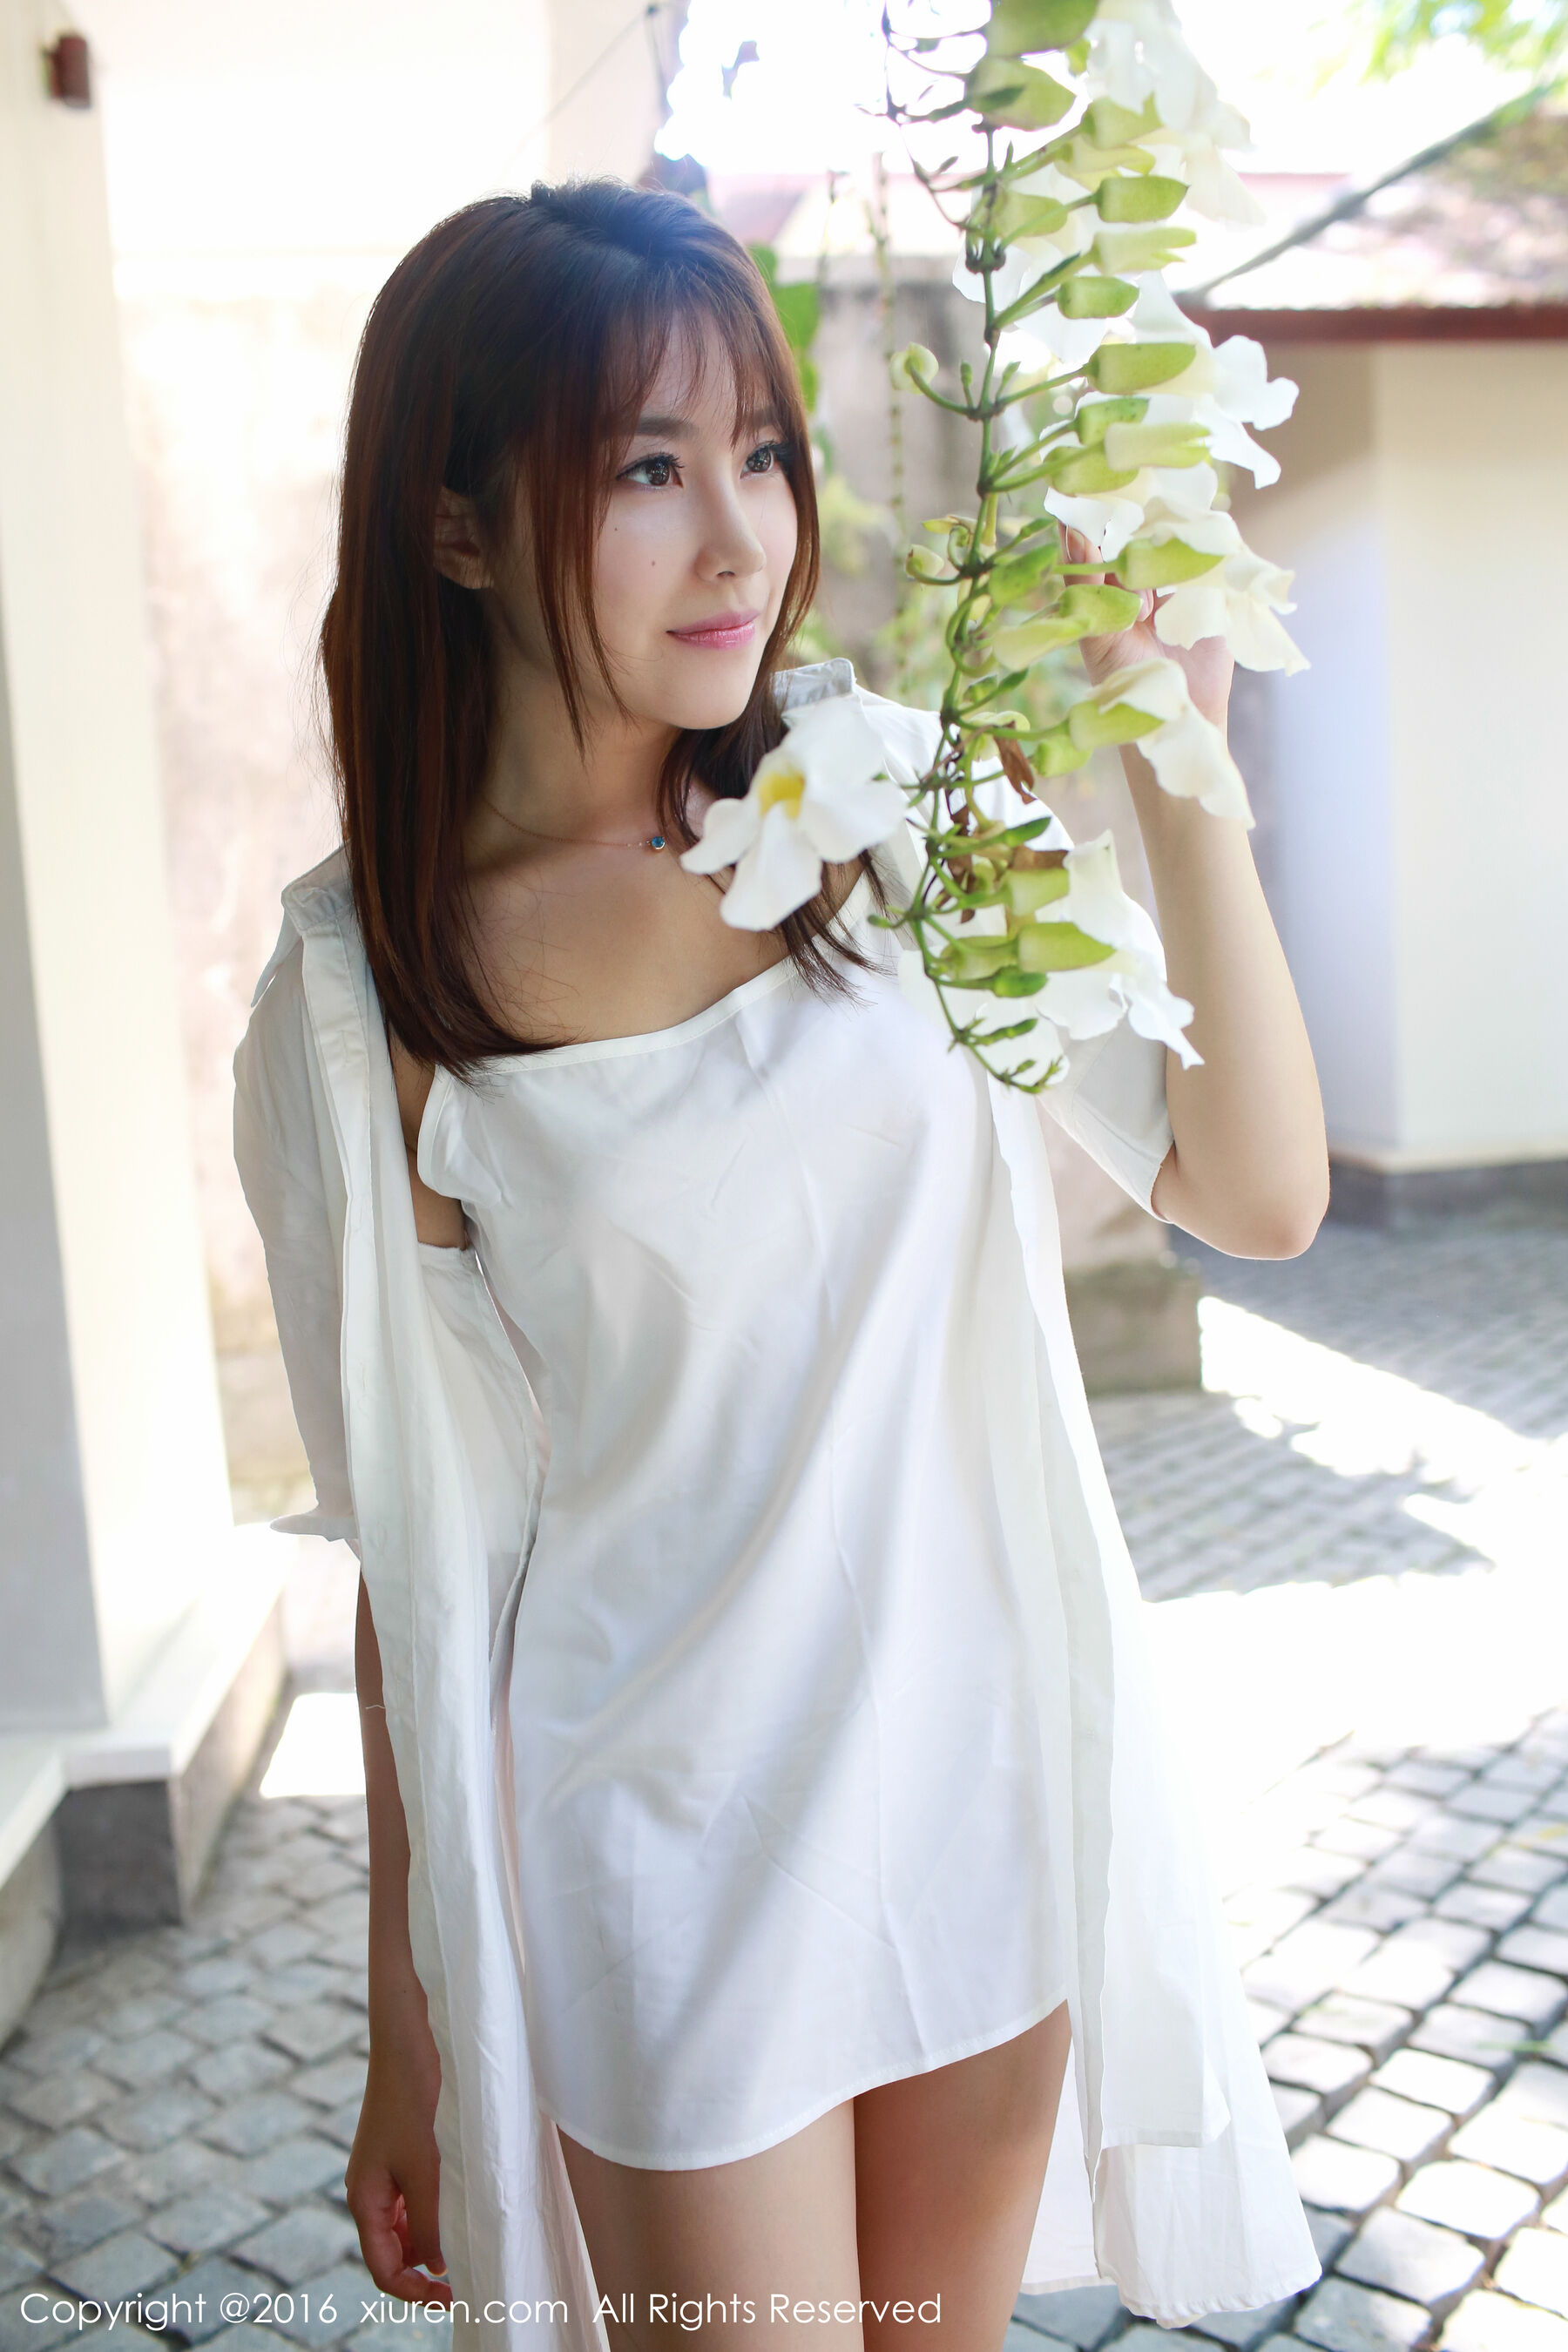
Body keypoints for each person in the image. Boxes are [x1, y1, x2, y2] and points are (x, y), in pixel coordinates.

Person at [233, 182, 1328, 2352]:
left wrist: (1175, 748)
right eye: (647, 469)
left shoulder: (885, 805)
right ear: (454, 525)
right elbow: (422, 1555)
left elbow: (1256, 1188)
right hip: (667, 1849)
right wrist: (411, 2028)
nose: (741, 539)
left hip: (974, 1787)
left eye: (760, 451)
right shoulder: (367, 998)